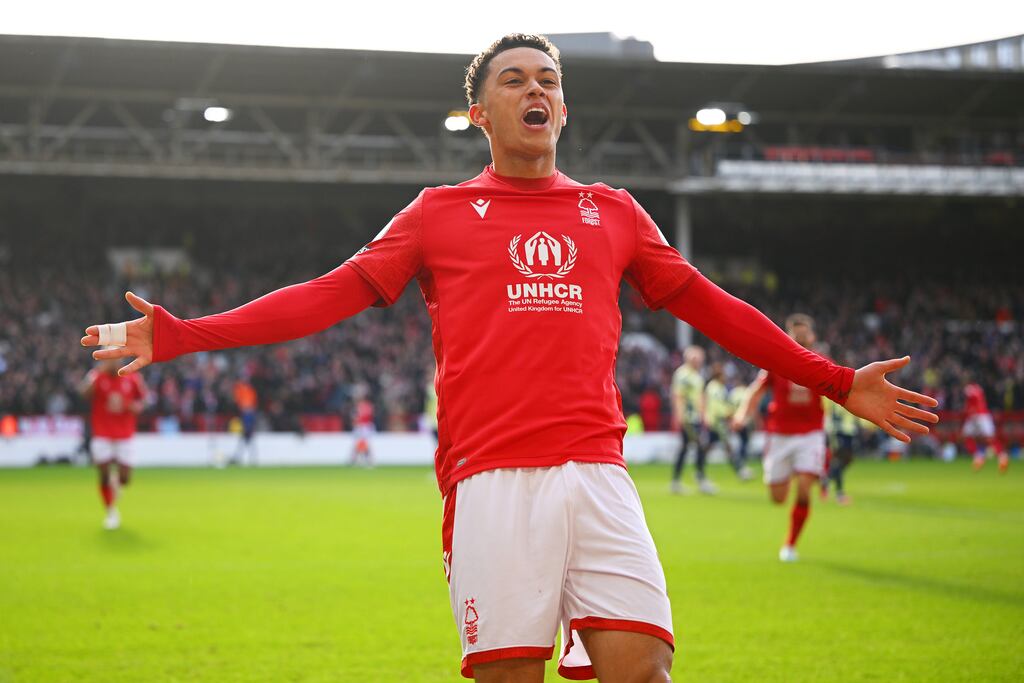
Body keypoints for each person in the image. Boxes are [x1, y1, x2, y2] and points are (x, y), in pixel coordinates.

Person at [81, 34, 938, 682]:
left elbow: (712, 306)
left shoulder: (616, 213)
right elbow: (326, 295)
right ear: (481, 113)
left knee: (643, 668)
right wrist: (183, 332)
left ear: (563, 111)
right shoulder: (438, 212)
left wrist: (831, 381)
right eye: (515, 79)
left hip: (598, 473)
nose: (537, 89)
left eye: (550, 81)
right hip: (491, 481)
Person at [731, 314, 832, 562]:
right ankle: (795, 471)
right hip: (780, 436)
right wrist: (742, 414)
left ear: (812, 336)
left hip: (810, 434)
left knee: (805, 488)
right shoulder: (776, 362)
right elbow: (756, 390)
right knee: (778, 498)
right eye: (794, 333)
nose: (799, 337)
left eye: (803, 333)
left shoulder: (823, 362)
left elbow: (843, 388)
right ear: (788, 336)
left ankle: (790, 544)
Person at [77, 352, 147, 530]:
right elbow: (83, 394)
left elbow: (144, 400)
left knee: (125, 478)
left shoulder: (132, 377)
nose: (112, 361)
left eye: (115, 357)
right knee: (104, 474)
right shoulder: (96, 376)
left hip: (125, 433)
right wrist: (96, 375)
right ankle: (111, 511)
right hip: (102, 433)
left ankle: (117, 484)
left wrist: (133, 406)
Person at [669, 346, 717, 495]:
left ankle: (679, 480)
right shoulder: (683, 374)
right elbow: (678, 396)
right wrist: (679, 415)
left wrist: (704, 416)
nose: (698, 362)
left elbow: (700, 398)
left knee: (690, 447)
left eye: (700, 359)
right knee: (698, 445)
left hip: (695, 417)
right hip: (687, 418)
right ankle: (698, 478)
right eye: (695, 359)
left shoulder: (697, 376)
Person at [704, 362, 752, 482]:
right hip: (717, 422)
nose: (725, 378)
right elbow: (717, 406)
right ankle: (740, 471)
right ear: (719, 376)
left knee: (709, 447)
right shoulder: (715, 388)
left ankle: (700, 471)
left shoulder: (717, 387)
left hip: (717, 421)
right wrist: (728, 413)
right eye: (724, 375)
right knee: (727, 447)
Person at [962, 378, 1008, 473]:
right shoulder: (979, 388)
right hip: (982, 415)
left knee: (973, 437)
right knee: (985, 438)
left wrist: (972, 410)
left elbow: (973, 400)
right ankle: (996, 457)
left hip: (978, 416)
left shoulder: (969, 389)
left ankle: (982, 457)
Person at [822, 400, 860, 504]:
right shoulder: (837, 393)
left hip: (848, 431)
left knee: (846, 460)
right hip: (838, 431)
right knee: (838, 461)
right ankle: (839, 494)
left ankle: (826, 480)